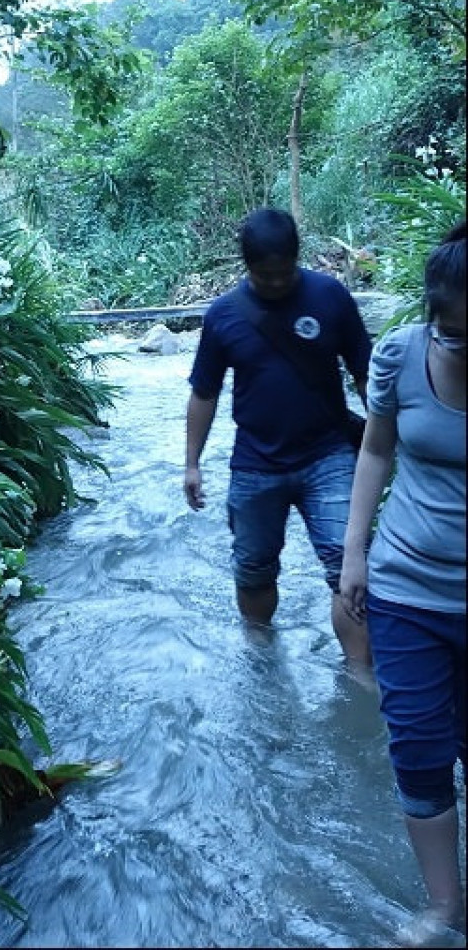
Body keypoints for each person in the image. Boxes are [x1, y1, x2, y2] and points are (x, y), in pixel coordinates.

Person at [339, 221, 466, 944]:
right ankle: (445, 906)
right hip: (407, 588)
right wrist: (354, 553)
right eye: (451, 331)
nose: (460, 348)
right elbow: (375, 450)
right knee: (418, 751)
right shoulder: (399, 356)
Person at [183, 207, 372, 666]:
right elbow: (204, 393)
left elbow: (369, 378)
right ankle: (261, 657)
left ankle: (360, 678)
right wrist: (191, 463)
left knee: (347, 568)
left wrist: (392, 445)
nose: (274, 283)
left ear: (297, 258)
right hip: (254, 463)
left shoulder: (330, 298)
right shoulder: (224, 315)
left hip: (329, 455)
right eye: (263, 275)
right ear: (246, 266)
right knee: (252, 569)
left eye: (283, 273)